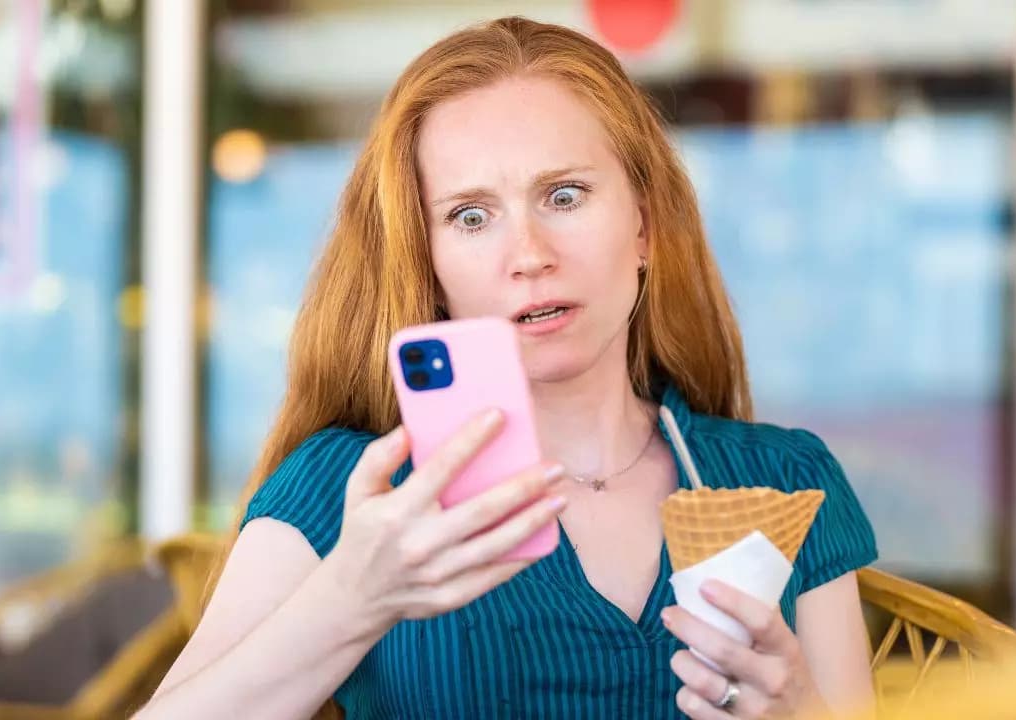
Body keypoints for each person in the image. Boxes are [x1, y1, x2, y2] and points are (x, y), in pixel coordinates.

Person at [139, 16, 877, 720]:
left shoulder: (787, 483)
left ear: (645, 226)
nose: (528, 254)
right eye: (470, 216)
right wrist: (351, 599)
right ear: (428, 261)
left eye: (564, 196)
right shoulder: (349, 490)